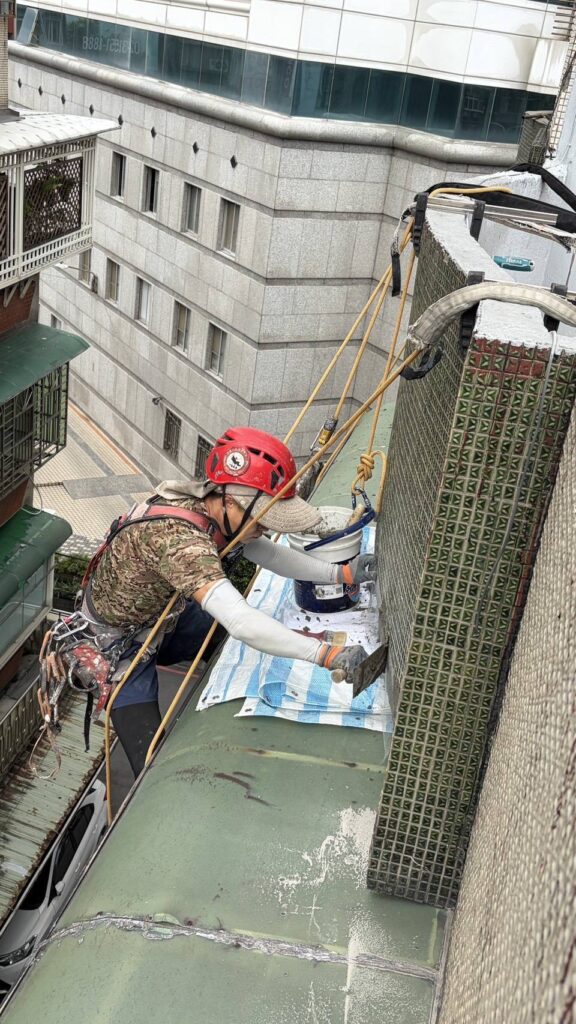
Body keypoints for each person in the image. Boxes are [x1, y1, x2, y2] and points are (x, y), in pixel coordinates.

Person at [82, 427, 376, 776]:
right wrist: (326, 655)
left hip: (165, 619)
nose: (265, 529)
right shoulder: (179, 542)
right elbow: (240, 620)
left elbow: (267, 553)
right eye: (262, 521)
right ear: (230, 501)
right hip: (118, 650)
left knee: (235, 648)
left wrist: (340, 574)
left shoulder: (211, 506)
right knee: (153, 764)